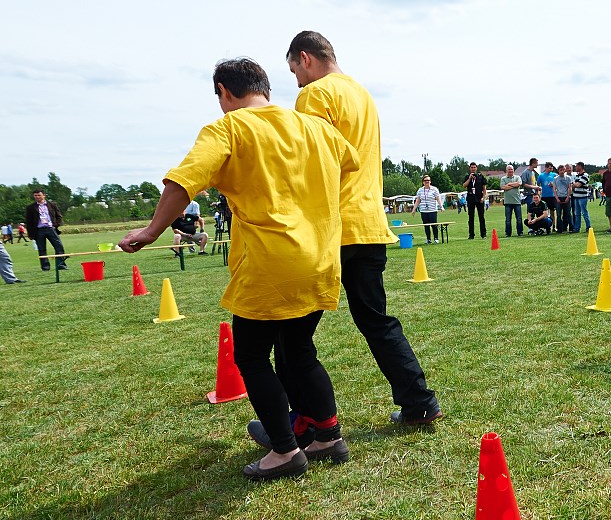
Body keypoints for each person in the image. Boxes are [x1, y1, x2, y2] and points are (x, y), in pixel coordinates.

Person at [119, 57, 358, 480]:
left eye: (219, 98)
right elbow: (349, 163)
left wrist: (154, 230)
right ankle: (327, 436)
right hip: (320, 258)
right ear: (265, 87)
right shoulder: (317, 127)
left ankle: (285, 451)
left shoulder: (228, 128)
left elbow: (182, 183)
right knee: (300, 351)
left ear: (225, 92)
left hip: (270, 263)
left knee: (250, 356)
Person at [284, 31, 443, 429]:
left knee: (292, 331)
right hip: (370, 225)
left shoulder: (315, 94)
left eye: (294, 72)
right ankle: (419, 402)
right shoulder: (362, 95)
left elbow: (309, 161)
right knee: (376, 320)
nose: (297, 83)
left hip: (332, 226)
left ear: (305, 59)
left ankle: (303, 419)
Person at [24, 189, 67, 272]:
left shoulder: (52, 205)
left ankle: (61, 265)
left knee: (59, 246)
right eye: (35, 195)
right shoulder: (31, 207)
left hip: (51, 229)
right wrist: (30, 233)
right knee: (42, 249)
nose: (37, 197)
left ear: (44, 195)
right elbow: (28, 221)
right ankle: (45, 267)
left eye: (39, 195)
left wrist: (55, 225)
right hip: (39, 230)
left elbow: (59, 216)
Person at [462, 161, 488, 239]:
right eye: (472, 167)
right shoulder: (467, 177)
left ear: (476, 168)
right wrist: (469, 178)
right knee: (471, 217)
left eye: (474, 167)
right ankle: (471, 235)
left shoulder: (480, 176)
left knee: (481, 217)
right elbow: (464, 185)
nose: (473, 169)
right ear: (470, 168)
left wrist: (483, 197)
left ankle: (483, 234)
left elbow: (484, 188)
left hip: (479, 198)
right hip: (471, 198)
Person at [415, 174, 443, 244]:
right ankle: (428, 239)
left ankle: (436, 238)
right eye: (425, 180)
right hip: (424, 210)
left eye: (428, 180)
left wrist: (441, 207)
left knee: (434, 225)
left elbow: (438, 199)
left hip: (432, 210)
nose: (427, 182)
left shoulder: (434, 189)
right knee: (426, 225)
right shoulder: (420, 190)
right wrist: (414, 209)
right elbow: (418, 200)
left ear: (430, 181)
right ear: (423, 182)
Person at [500, 164, 524, 237]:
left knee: (519, 218)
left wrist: (509, 184)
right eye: (509, 169)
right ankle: (508, 233)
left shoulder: (517, 177)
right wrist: (514, 185)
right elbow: (503, 187)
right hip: (507, 202)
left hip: (517, 201)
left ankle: (520, 232)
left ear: (513, 170)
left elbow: (519, 183)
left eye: (511, 169)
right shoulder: (503, 178)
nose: (510, 171)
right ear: (506, 171)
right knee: (508, 219)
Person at [570, 161, 592, 233]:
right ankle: (577, 228)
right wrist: (574, 184)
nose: (575, 167)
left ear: (580, 166)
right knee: (577, 214)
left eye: (576, 166)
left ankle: (588, 227)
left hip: (583, 197)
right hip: (576, 196)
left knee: (584, 213)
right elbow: (575, 185)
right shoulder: (577, 176)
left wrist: (573, 184)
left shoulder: (585, 175)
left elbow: (577, 185)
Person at [537, 161, 558, 229]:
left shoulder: (554, 175)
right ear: (546, 168)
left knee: (552, 212)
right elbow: (537, 185)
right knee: (545, 212)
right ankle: (546, 226)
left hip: (552, 196)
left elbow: (559, 184)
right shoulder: (541, 176)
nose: (551, 169)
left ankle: (554, 226)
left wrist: (554, 185)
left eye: (552, 168)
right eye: (549, 168)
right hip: (544, 196)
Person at [553, 163, 573, 232]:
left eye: (563, 170)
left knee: (568, 213)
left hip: (566, 197)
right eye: (560, 170)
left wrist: (568, 197)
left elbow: (569, 188)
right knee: (558, 214)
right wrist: (557, 198)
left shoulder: (568, 178)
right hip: (559, 197)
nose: (562, 171)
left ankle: (570, 228)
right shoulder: (555, 179)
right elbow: (554, 189)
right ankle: (559, 229)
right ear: (558, 171)